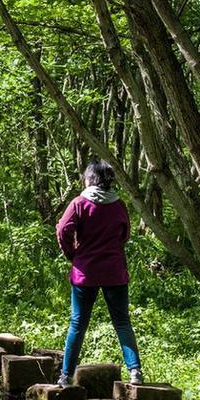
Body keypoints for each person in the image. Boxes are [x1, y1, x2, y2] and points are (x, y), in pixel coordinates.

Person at [56, 159, 144, 386]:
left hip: (85, 272)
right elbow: (125, 234)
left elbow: (63, 229)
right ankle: (135, 372)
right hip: (114, 271)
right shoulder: (119, 205)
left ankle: (66, 376)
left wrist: (72, 254)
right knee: (122, 322)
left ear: (90, 179)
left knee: (77, 324)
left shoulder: (79, 203)